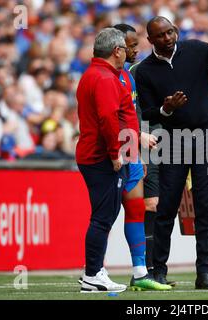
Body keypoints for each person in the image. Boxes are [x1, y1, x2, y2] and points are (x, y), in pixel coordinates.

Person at [135, 16, 208, 289]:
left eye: (170, 31)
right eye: (161, 35)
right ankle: (159, 271)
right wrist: (167, 109)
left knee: (205, 205)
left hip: (207, 136)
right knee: (167, 207)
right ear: (150, 41)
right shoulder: (145, 70)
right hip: (173, 141)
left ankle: (204, 273)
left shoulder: (197, 49)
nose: (168, 38)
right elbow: (148, 112)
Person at [76, 27, 139, 293]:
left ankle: (93, 271)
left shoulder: (93, 74)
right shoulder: (104, 78)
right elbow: (108, 118)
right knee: (103, 217)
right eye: (125, 48)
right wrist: (117, 152)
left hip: (94, 153)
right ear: (117, 51)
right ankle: (92, 273)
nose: (128, 53)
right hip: (102, 156)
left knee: (104, 215)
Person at [112, 23, 171, 291]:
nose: (137, 49)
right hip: (129, 149)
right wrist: (138, 140)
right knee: (133, 208)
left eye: (137, 44)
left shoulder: (131, 75)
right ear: (118, 48)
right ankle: (139, 270)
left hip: (144, 146)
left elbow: (141, 112)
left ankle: (149, 270)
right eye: (131, 45)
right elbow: (123, 116)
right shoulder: (123, 75)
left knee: (151, 205)